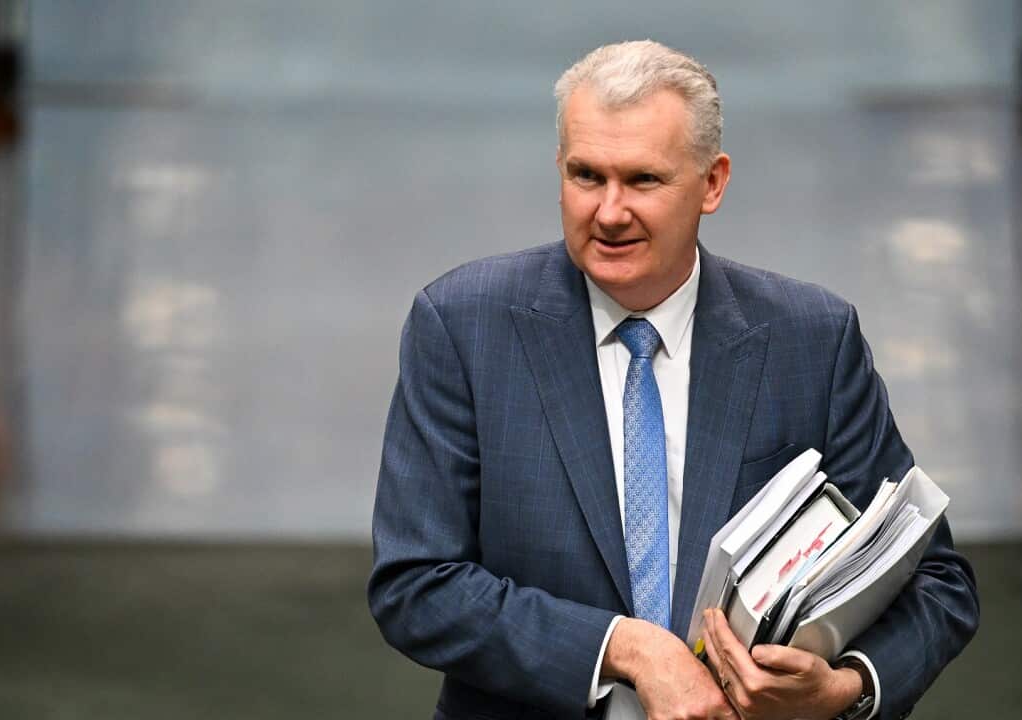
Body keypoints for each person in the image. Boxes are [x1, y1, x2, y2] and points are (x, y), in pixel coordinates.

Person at [368, 40, 978, 720]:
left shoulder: (811, 340)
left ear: (712, 183)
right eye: (586, 176)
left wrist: (842, 688)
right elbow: (417, 584)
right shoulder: (461, 328)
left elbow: (935, 580)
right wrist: (623, 648)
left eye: (643, 181)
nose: (609, 211)